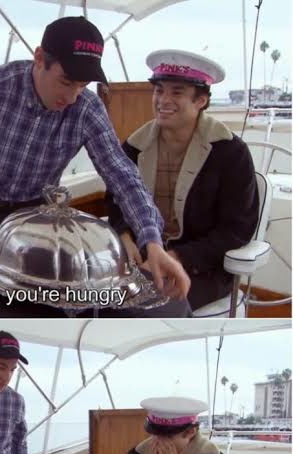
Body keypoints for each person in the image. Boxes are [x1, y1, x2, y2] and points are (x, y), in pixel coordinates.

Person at [0, 16, 190, 307]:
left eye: (82, 85)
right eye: (65, 82)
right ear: (39, 58)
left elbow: (122, 175)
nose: (71, 97)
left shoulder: (87, 110)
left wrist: (152, 243)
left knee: (24, 311)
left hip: (34, 223)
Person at [108, 50, 259, 311]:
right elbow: (115, 198)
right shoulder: (134, 146)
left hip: (203, 269)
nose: (163, 100)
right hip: (141, 259)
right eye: (159, 91)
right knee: (92, 298)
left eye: (176, 93)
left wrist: (177, 256)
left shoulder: (231, 152)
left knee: (144, 306)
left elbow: (236, 230)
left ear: (201, 100)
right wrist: (124, 236)